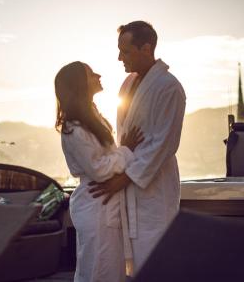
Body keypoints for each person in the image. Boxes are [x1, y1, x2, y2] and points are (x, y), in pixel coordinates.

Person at [89, 21, 186, 273]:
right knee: (133, 265)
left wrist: (125, 178)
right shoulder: (127, 84)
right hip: (129, 188)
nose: (119, 57)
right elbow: (125, 137)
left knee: (157, 259)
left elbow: (163, 143)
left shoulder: (169, 87)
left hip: (154, 188)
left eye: (126, 51)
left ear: (146, 48)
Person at [55, 61, 144, 282]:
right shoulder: (74, 129)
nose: (98, 75)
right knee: (97, 269)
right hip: (97, 204)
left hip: (104, 204)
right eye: (91, 73)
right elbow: (99, 169)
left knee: (108, 268)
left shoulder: (91, 117)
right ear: (79, 84)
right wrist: (127, 150)